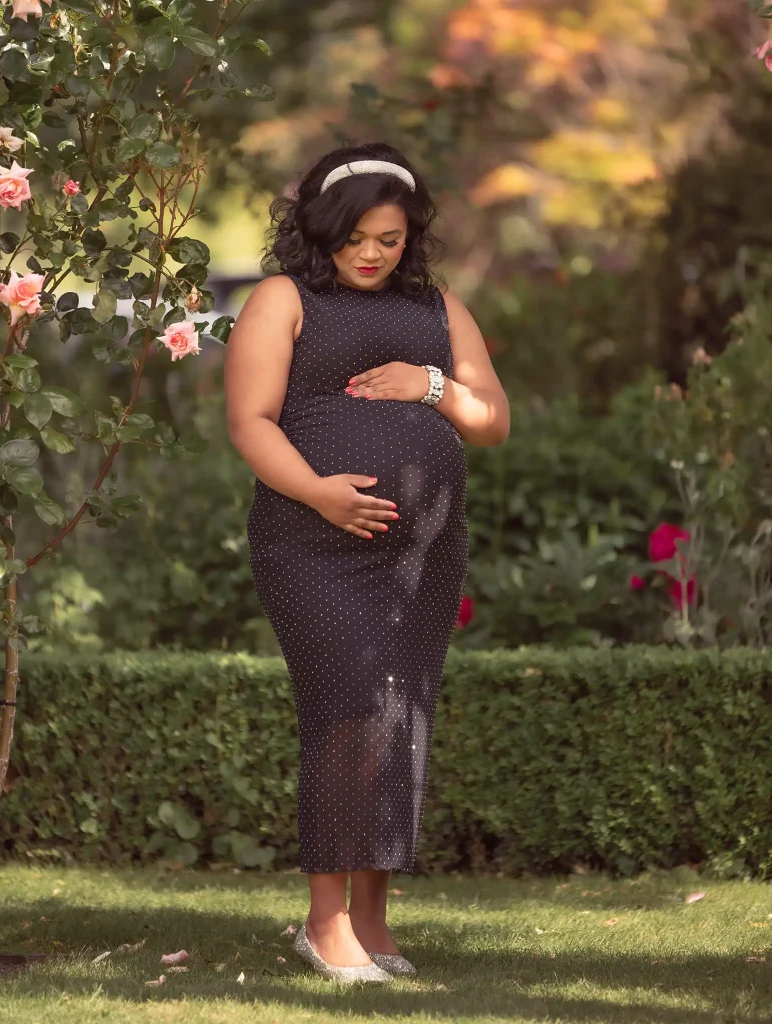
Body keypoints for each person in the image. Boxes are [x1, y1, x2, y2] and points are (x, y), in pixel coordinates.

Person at [224, 142, 510, 983]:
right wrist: (319, 493)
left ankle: (373, 920)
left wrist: (430, 387)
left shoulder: (436, 306)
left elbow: (491, 417)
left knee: (400, 714)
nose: (371, 253)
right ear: (323, 229)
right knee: (348, 710)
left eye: (388, 237)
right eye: (355, 236)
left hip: (421, 556)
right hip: (311, 542)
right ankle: (324, 922)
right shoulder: (284, 297)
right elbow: (250, 421)